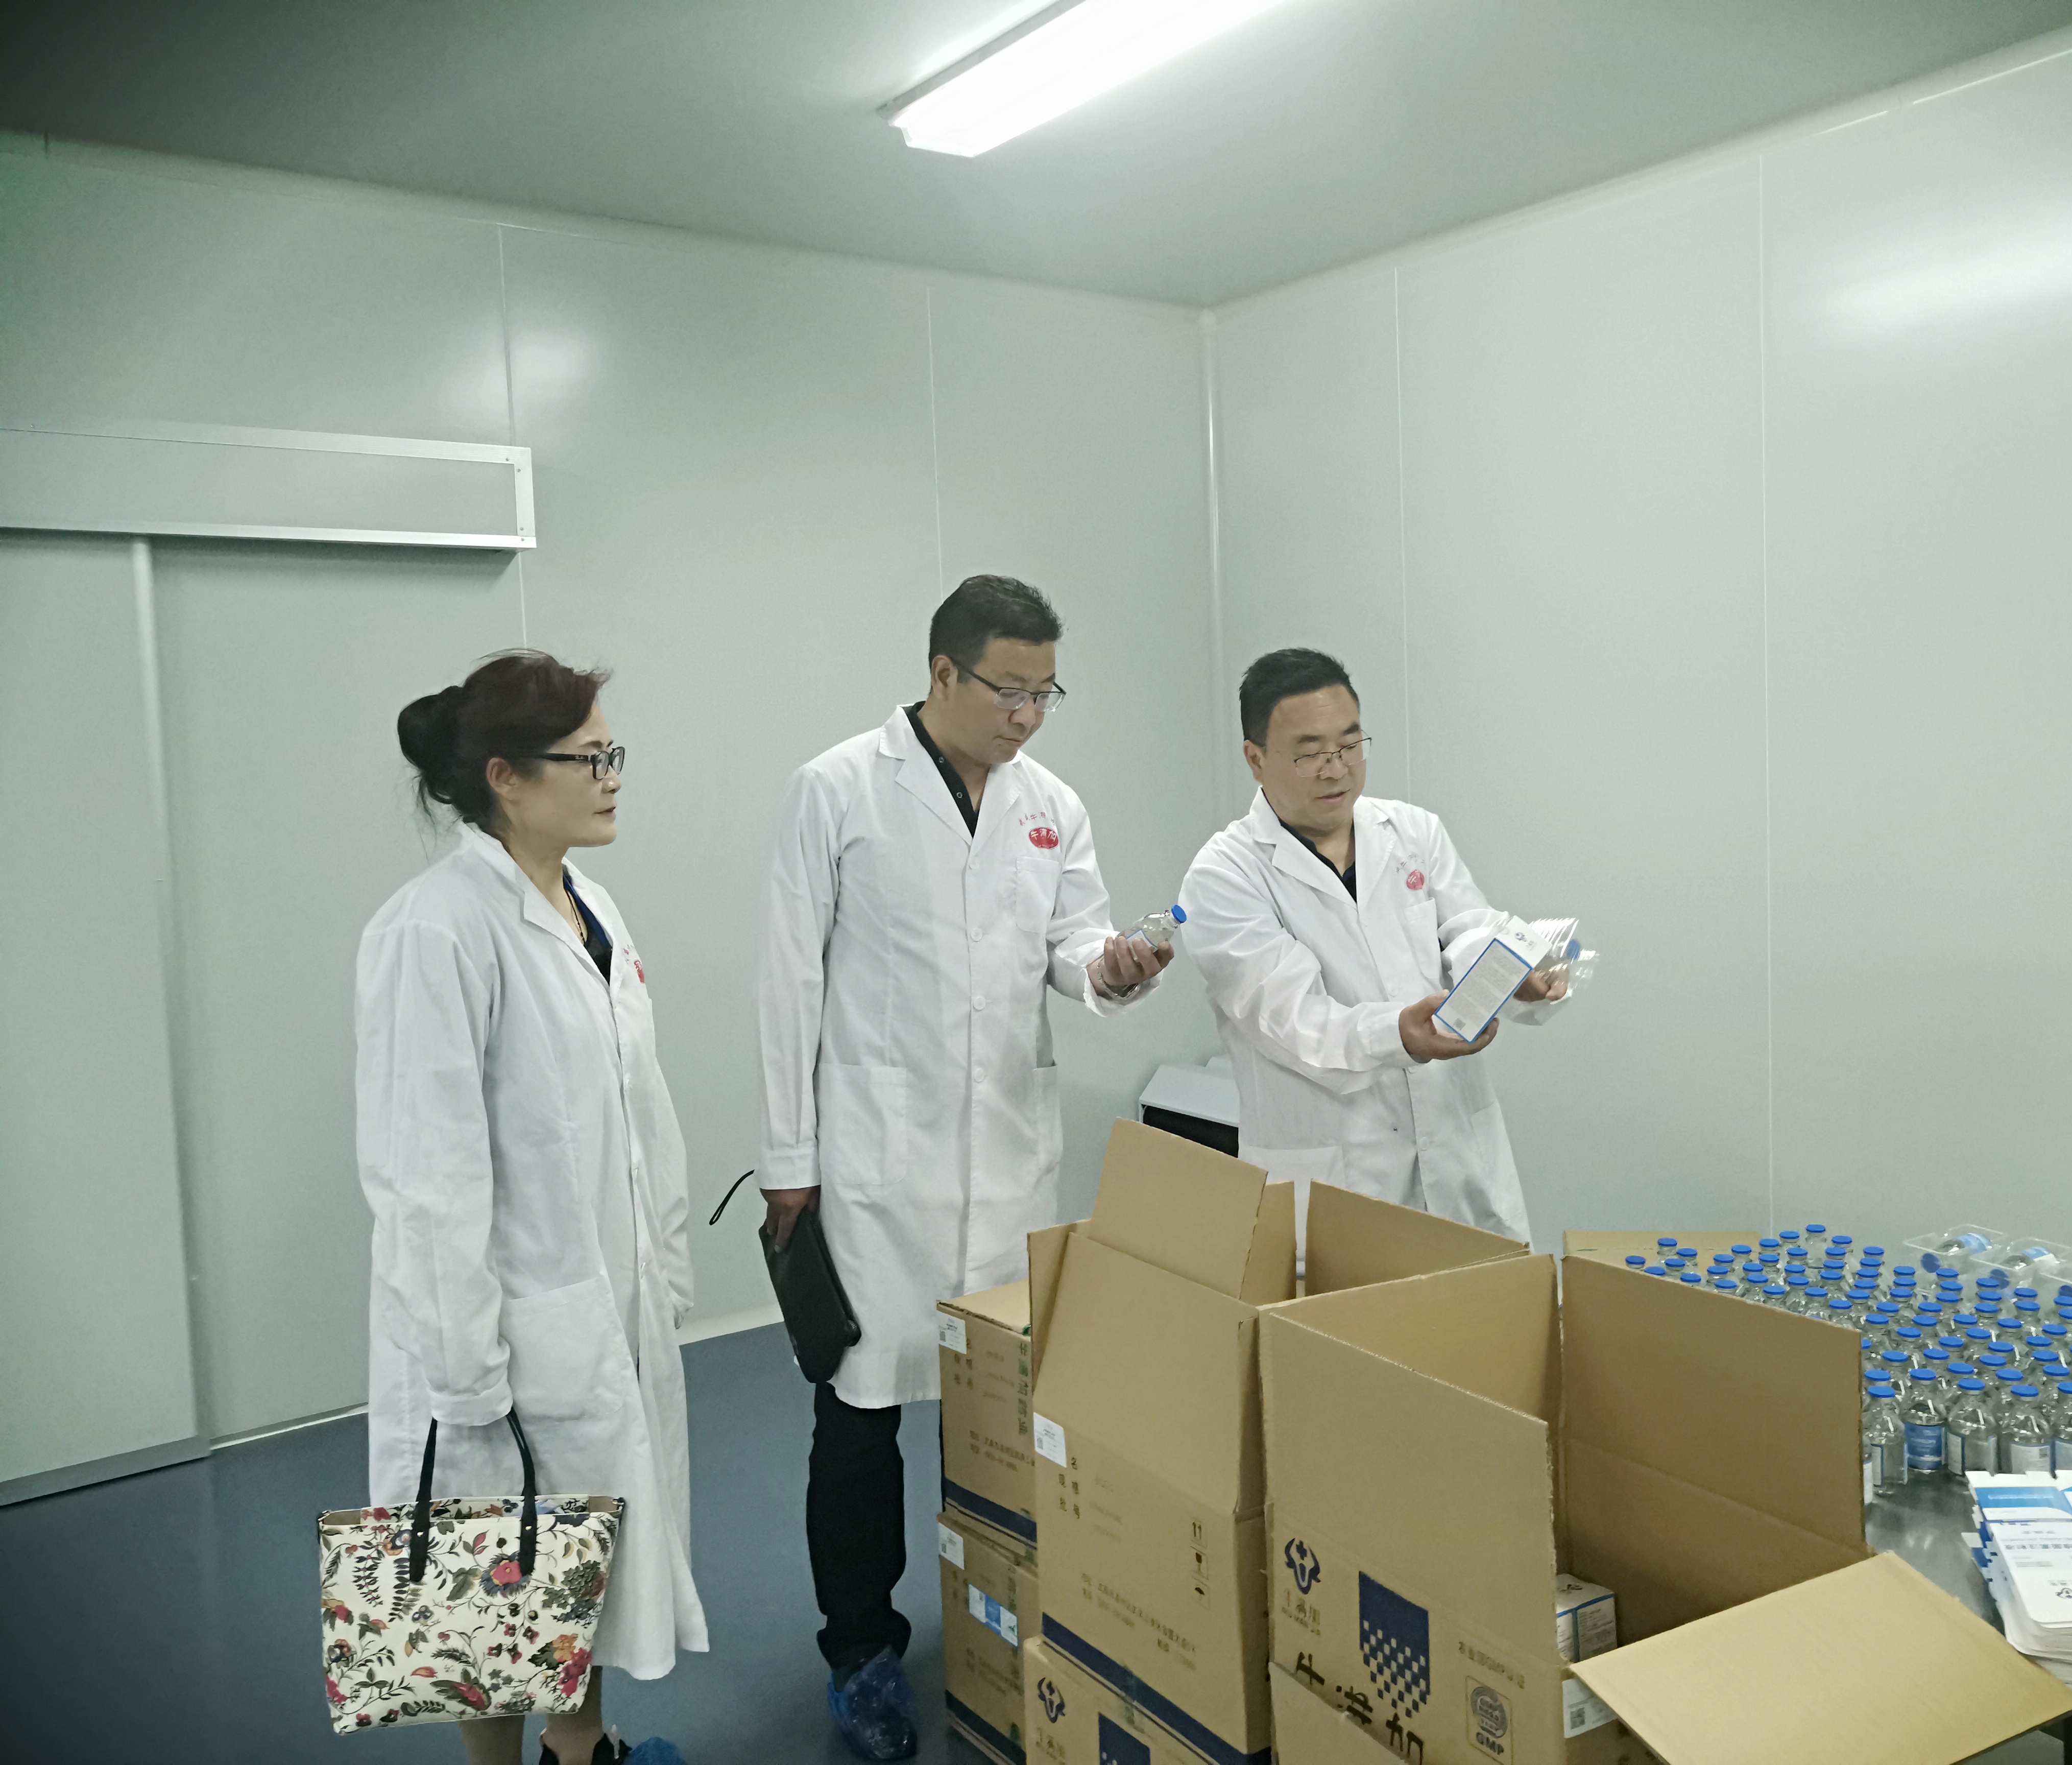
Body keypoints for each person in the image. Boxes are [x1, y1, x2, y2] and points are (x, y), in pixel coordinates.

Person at [755, 575, 1170, 1760]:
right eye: (1009, 690)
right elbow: (786, 977)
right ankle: (862, 1652)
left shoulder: (1051, 804)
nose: (1029, 714)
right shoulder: (838, 788)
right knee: (860, 1417)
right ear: (943, 673)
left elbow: (1070, 942)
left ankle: (1002, 1607)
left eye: (1046, 692)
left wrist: (1110, 967)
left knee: (994, 1407)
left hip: (1006, 1152)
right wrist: (788, 1161)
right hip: (874, 1163)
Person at [358, 652, 703, 1765]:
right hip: (495, 1328)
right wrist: (464, 1370)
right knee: (488, 1578)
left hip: (603, 1301)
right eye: (588, 758)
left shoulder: (590, 906)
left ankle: (581, 1744)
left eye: (613, 753)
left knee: (584, 1546)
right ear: (505, 776)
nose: (613, 776)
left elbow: (640, 1110)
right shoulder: (435, 929)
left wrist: (665, 1264)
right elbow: (426, 1174)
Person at [1179, 647, 1570, 1246]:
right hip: (1336, 1183)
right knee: (1351, 1300)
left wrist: (1510, 972)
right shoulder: (1225, 876)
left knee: (1483, 1300)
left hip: (1459, 1165)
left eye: (1350, 745)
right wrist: (1399, 1034)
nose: (1336, 770)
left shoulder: (1413, 832)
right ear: (1255, 759)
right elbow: (1293, 1020)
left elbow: (1467, 926)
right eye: (1310, 753)